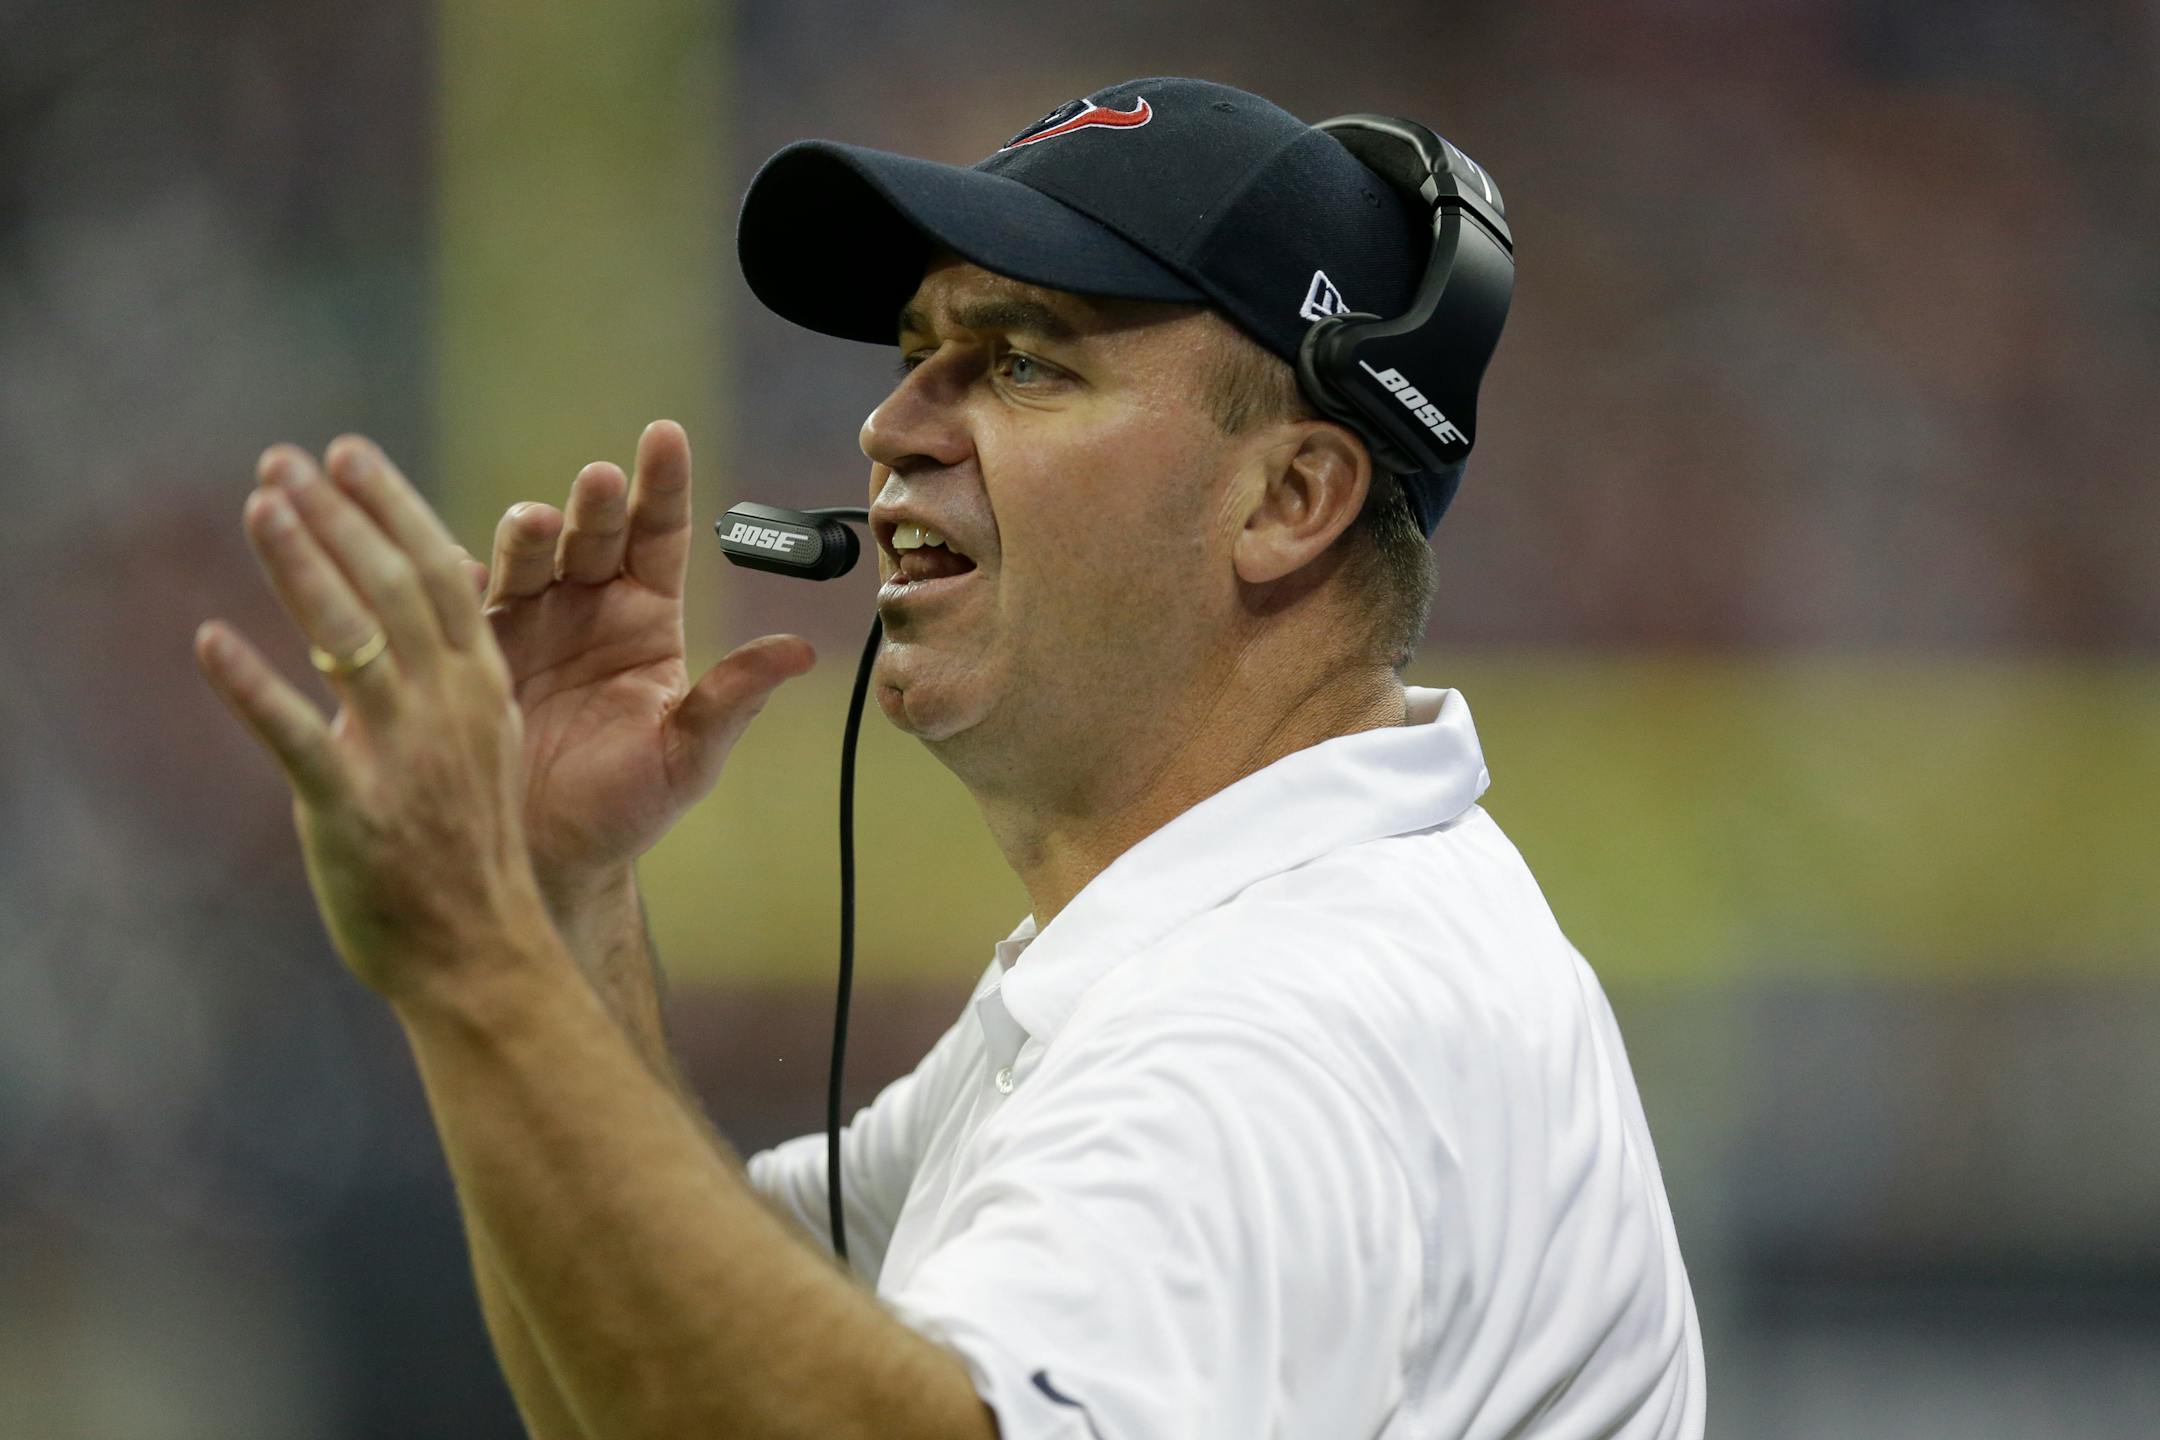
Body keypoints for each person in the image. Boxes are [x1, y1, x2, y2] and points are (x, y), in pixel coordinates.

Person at [195, 77, 1704, 1439]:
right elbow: (669, 1360)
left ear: (1290, 499)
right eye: (919, 353)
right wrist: (554, 896)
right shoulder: (1250, 948)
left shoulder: (1279, 1033)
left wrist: (473, 953)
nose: (891, 423)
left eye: (1023, 363)